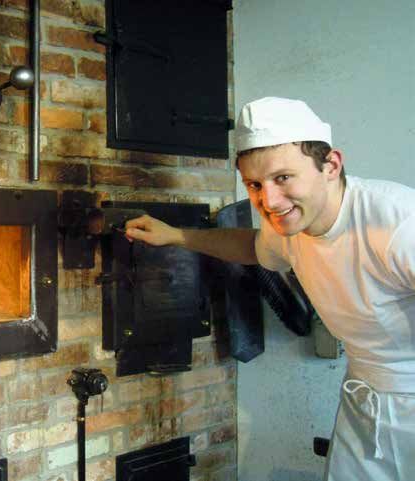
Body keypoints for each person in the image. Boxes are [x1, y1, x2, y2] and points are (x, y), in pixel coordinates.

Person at [124, 97, 415, 480]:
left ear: (331, 165)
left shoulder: (398, 223)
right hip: (363, 398)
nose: (269, 201)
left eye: (283, 178)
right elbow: (252, 247)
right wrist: (176, 235)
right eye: (254, 185)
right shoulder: (290, 226)